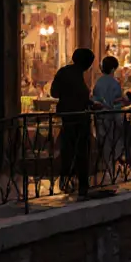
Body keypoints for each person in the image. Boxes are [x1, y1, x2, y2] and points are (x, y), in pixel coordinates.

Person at [51, 48, 95, 197]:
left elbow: (55, 92)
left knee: (70, 149)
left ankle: (71, 179)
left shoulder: (66, 72)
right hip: (76, 118)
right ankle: (79, 182)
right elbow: (56, 93)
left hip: (71, 116)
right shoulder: (73, 74)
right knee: (79, 150)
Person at [92, 55, 130, 174]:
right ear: (113, 69)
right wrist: (125, 101)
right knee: (115, 142)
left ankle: (105, 168)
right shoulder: (114, 83)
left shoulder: (98, 82)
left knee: (103, 143)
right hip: (112, 117)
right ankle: (112, 169)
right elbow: (116, 101)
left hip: (100, 117)